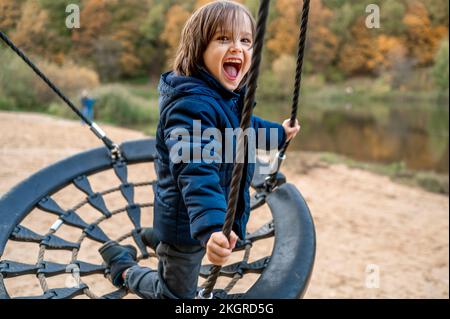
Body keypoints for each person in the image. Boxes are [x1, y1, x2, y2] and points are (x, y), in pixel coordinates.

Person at [99, 0, 300, 299]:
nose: (237, 48)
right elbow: (196, 170)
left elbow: (245, 127)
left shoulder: (226, 97)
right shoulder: (191, 105)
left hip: (207, 214)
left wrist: (278, 135)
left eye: (245, 40)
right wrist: (212, 227)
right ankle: (123, 267)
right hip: (187, 222)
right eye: (223, 39)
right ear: (198, 48)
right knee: (174, 295)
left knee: (186, 250)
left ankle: (154, 239)